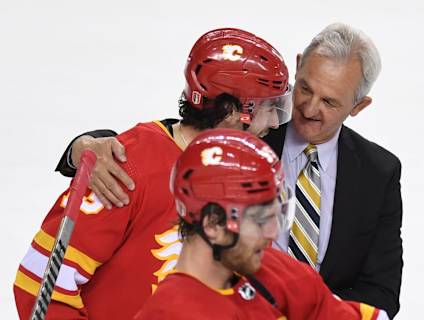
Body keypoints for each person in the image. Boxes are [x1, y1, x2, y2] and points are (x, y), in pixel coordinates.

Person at [54, 23, 403, 318]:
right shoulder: (224, 145)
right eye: (306, 89)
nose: (306, 109)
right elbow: (182, 133)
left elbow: (378, 292)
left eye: (329, 101)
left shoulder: (378, 173)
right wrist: (83, 148)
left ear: (358, 105)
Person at [13, 28, 293, 319]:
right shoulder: (126, 167)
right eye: (269, 107)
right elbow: (38, 282)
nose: (275, 121)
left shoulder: (250, 176)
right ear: (233, 110)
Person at [134, 127, 388, 320]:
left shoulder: (276, 269)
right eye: (259, 219)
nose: (273, 233)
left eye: (276, 215)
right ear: (213, 224)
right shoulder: (169, 313)